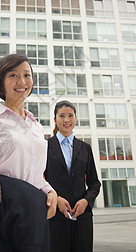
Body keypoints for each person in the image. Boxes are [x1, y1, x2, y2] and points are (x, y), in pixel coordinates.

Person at [0, 54, 57, 246]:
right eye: (13, 75)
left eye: (27, 75)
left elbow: (36, 176)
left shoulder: (37, 127)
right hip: (0, 214)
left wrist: (50, 191)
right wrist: (18, 196)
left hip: (34, 215)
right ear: (1, 82)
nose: (21, 81)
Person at [44, 100, 101, 252]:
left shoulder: (85, 148)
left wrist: (86, 201)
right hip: (54, 217)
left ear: (75, 118)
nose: (67, 120)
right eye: (62, 116)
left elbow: (95, 183)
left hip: (82, 218)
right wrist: (56, 199)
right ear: (55, 120)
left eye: (70, 115)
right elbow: (37, 181)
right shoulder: (44, 147)